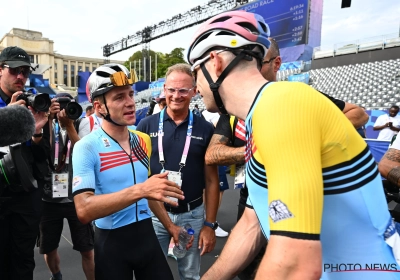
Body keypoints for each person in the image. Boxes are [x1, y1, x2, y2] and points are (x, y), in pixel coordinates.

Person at [188, 10, 400, 280]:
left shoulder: (283, 105)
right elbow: (253, 223)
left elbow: (295, 262)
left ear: (214, 62)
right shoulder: (261, 115)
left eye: (196, 72)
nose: (196, 87)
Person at [72, 63, 184, 280]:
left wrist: (170, 227)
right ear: (99, 107)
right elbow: (83, 210)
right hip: (111, 245)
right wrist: (141, 189)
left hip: (146, 237)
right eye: (119, 97)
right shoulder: (86, 147)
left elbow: (149, 193)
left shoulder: (141, 139)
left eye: (131, 94)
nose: (131, 102)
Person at [136, 63, 220, 280]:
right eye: (171, 89)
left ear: (194, 92)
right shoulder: (145, 126)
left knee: (190, 274)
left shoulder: (205, 129)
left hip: (191, 216)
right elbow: (138, 177)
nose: (176, 95)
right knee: (151, 273)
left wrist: (210, 225)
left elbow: (212, 181)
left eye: (183, 90)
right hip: (155, 215)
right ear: (164, 89)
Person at [0, 46, 51, 280]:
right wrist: (7, 118)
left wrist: (37, 132)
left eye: (24, 71)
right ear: (0, 70)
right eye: (14, 70)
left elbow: (44, 157)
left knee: (23, 263)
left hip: (26, 197)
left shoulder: (34, 103)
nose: (20, 76)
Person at [38, 93, 95, 280]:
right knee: (49, 247)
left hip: (77, 196)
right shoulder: (44, 121)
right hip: (48, 197)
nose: (63, 110)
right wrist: (47, 118)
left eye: (67, 106)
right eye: (59, 105)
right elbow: (37, 148)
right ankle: (56, 276)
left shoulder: (81, 122)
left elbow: (84, 152)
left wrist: (69, 125)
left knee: (87, 249)